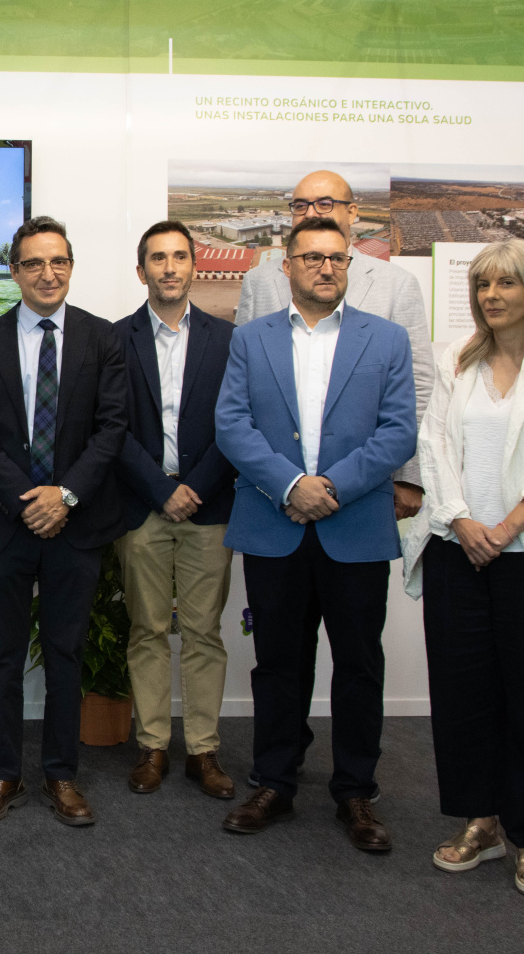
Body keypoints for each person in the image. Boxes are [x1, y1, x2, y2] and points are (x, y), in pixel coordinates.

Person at [402, 239, 524, 897]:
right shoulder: (458, 360)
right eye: (483, 284)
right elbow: (434, 447)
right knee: (465, 700)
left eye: (506, 284)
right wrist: (460, 520)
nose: (491, 295)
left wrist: (510, 524)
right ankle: (480, 821)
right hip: (462, 557)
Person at [214, 216, 417, 852]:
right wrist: (289, 486)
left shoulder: (386, 340)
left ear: (349, 264)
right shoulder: (251, 340)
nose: (324, 268)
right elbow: (232, 424)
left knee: (358, 664)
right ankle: (274, 780)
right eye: (311, 258)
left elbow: (398, 431)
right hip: (275, 525)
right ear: (287, 266)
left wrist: (329, 487)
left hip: (353, 525)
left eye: (336, 258)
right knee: (278, 663)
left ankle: (356, 790)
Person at [0, 216, 126, 826]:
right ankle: (3, 773)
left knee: (64, 653)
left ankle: (61, 775)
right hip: (5, 524)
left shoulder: (104, 340)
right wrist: (32, 498)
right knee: (1, 654)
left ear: (71, 268)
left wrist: (67, 496)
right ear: (14, 271)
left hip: (75, 526)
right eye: (33, 263)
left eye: (58, 262)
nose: (47, 273)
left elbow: (112, 429)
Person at [115, 221, 238, 799]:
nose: (169, 268)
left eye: (179, 257)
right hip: (141, 508)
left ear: (195, 267)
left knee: (205, 632)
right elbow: (108, 428)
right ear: (141, 271)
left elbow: (239, 424)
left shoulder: (230, 339)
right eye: (157, 259)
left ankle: (205, 751)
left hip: (209, 507)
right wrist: (159, 488)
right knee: (147, 629)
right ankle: (154, 745)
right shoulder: (113, 340)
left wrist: (195, 485)